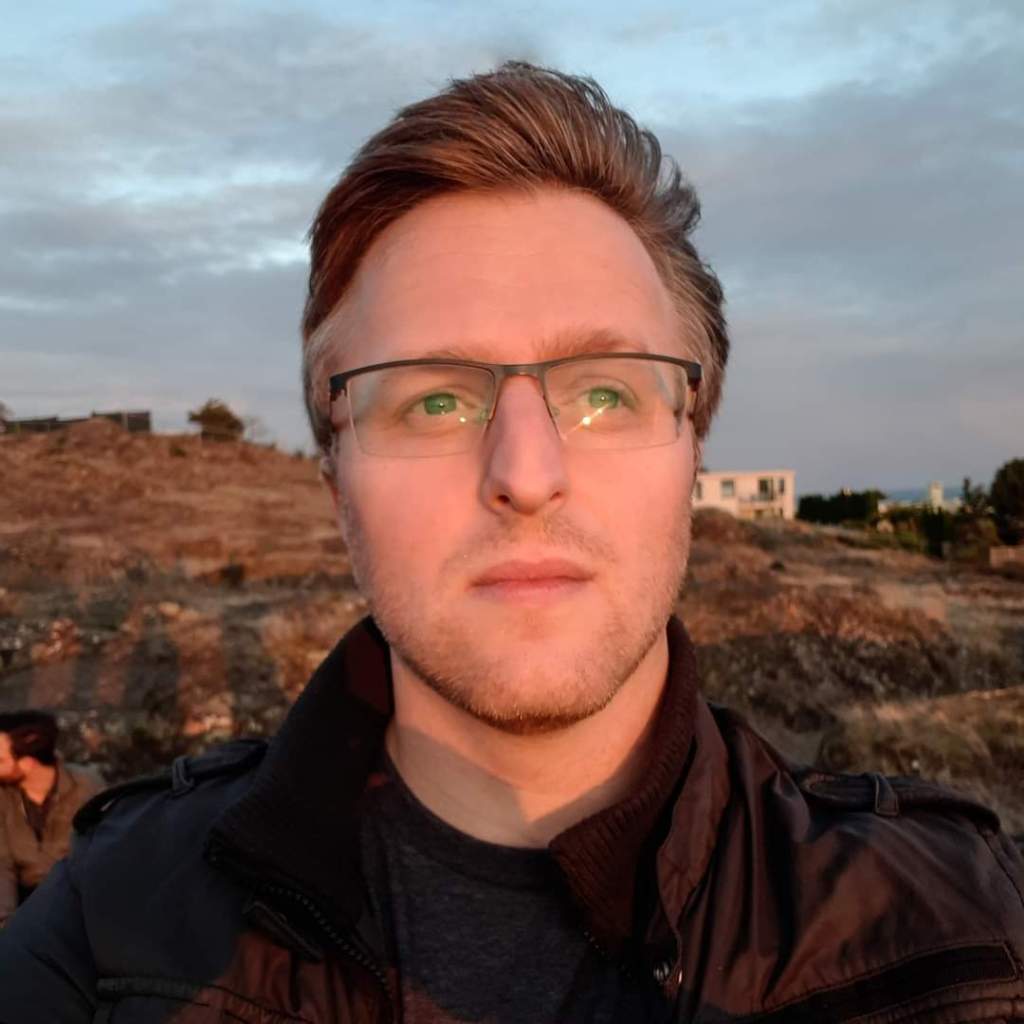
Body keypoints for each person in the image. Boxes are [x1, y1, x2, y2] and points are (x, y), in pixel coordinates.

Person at [1, 62, 1022, 1022]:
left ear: (691, 457)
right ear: (336, 484)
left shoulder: (971, 941)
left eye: (606, 392)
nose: (526, 474)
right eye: (434, 400)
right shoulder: (107, 934)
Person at [0, 710, 102, 927]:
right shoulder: (4, 796)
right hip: (23, 907)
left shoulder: (86, 787)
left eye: (0, 760)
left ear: (28, 762)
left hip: (80, 907)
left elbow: (105, 854)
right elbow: (2, 866)